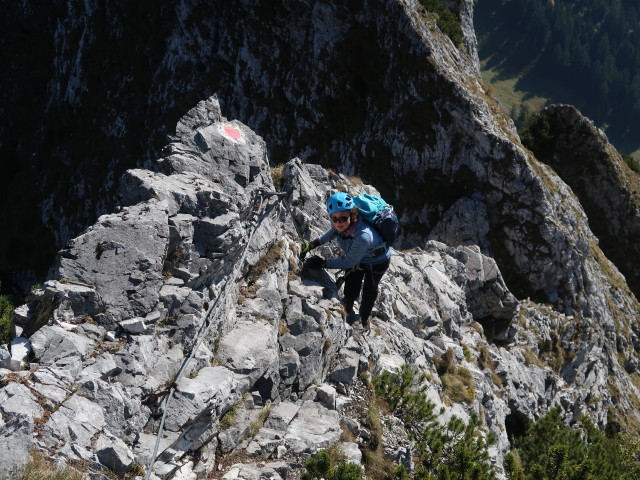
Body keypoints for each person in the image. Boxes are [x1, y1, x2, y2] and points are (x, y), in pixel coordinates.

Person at [301, 192, 391, 328]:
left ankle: (365, 317)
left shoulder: (363, 236)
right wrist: (314, 244)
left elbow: (349, 262)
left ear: (353, 214)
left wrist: (322, 263)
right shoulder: (340, 224)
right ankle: (348, 305)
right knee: (351, 283)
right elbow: (332, 232)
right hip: (358, 256)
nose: (338, 223)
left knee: (369, 290)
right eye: (334, 219)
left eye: (343, 218)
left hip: (377, 261)